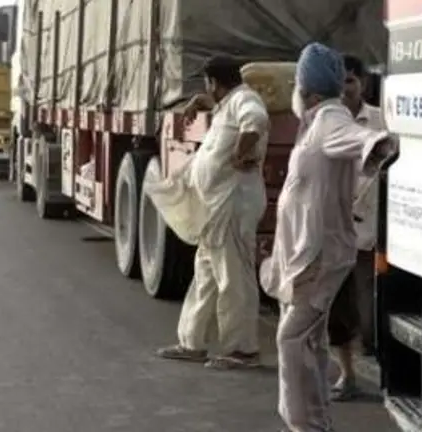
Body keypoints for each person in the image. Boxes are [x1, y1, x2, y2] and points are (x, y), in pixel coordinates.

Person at [259, 43, 395, 431]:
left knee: (292, 340)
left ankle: (308, 424)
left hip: (318, 256)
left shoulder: (327, 120)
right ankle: (313, 420)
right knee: (309, 341)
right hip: (309, 252)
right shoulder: (315, 123)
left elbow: (359, 138)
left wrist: (381, 145)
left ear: (310, 94)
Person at [146, 55, 270, 370]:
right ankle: (192, 342)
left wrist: (243, 152)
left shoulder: (245, 99)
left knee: (234, 278)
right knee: (206, 275)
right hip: (217, 209)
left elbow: (254, 121)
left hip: (232, 206)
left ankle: (243, 350)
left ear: (214, 82)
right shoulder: (228, 103)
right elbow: (229, 116)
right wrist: (203, 102)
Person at [327, 53, 387, 402]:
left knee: (369, 316)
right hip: (334, 234)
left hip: (369, 237)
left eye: (350, 81)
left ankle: (381, 373)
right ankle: (347, 376)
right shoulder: (323, 123)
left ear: (362, 83)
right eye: (339, 83)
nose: (345, 89)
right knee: (337, 313)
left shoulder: (380, 121)